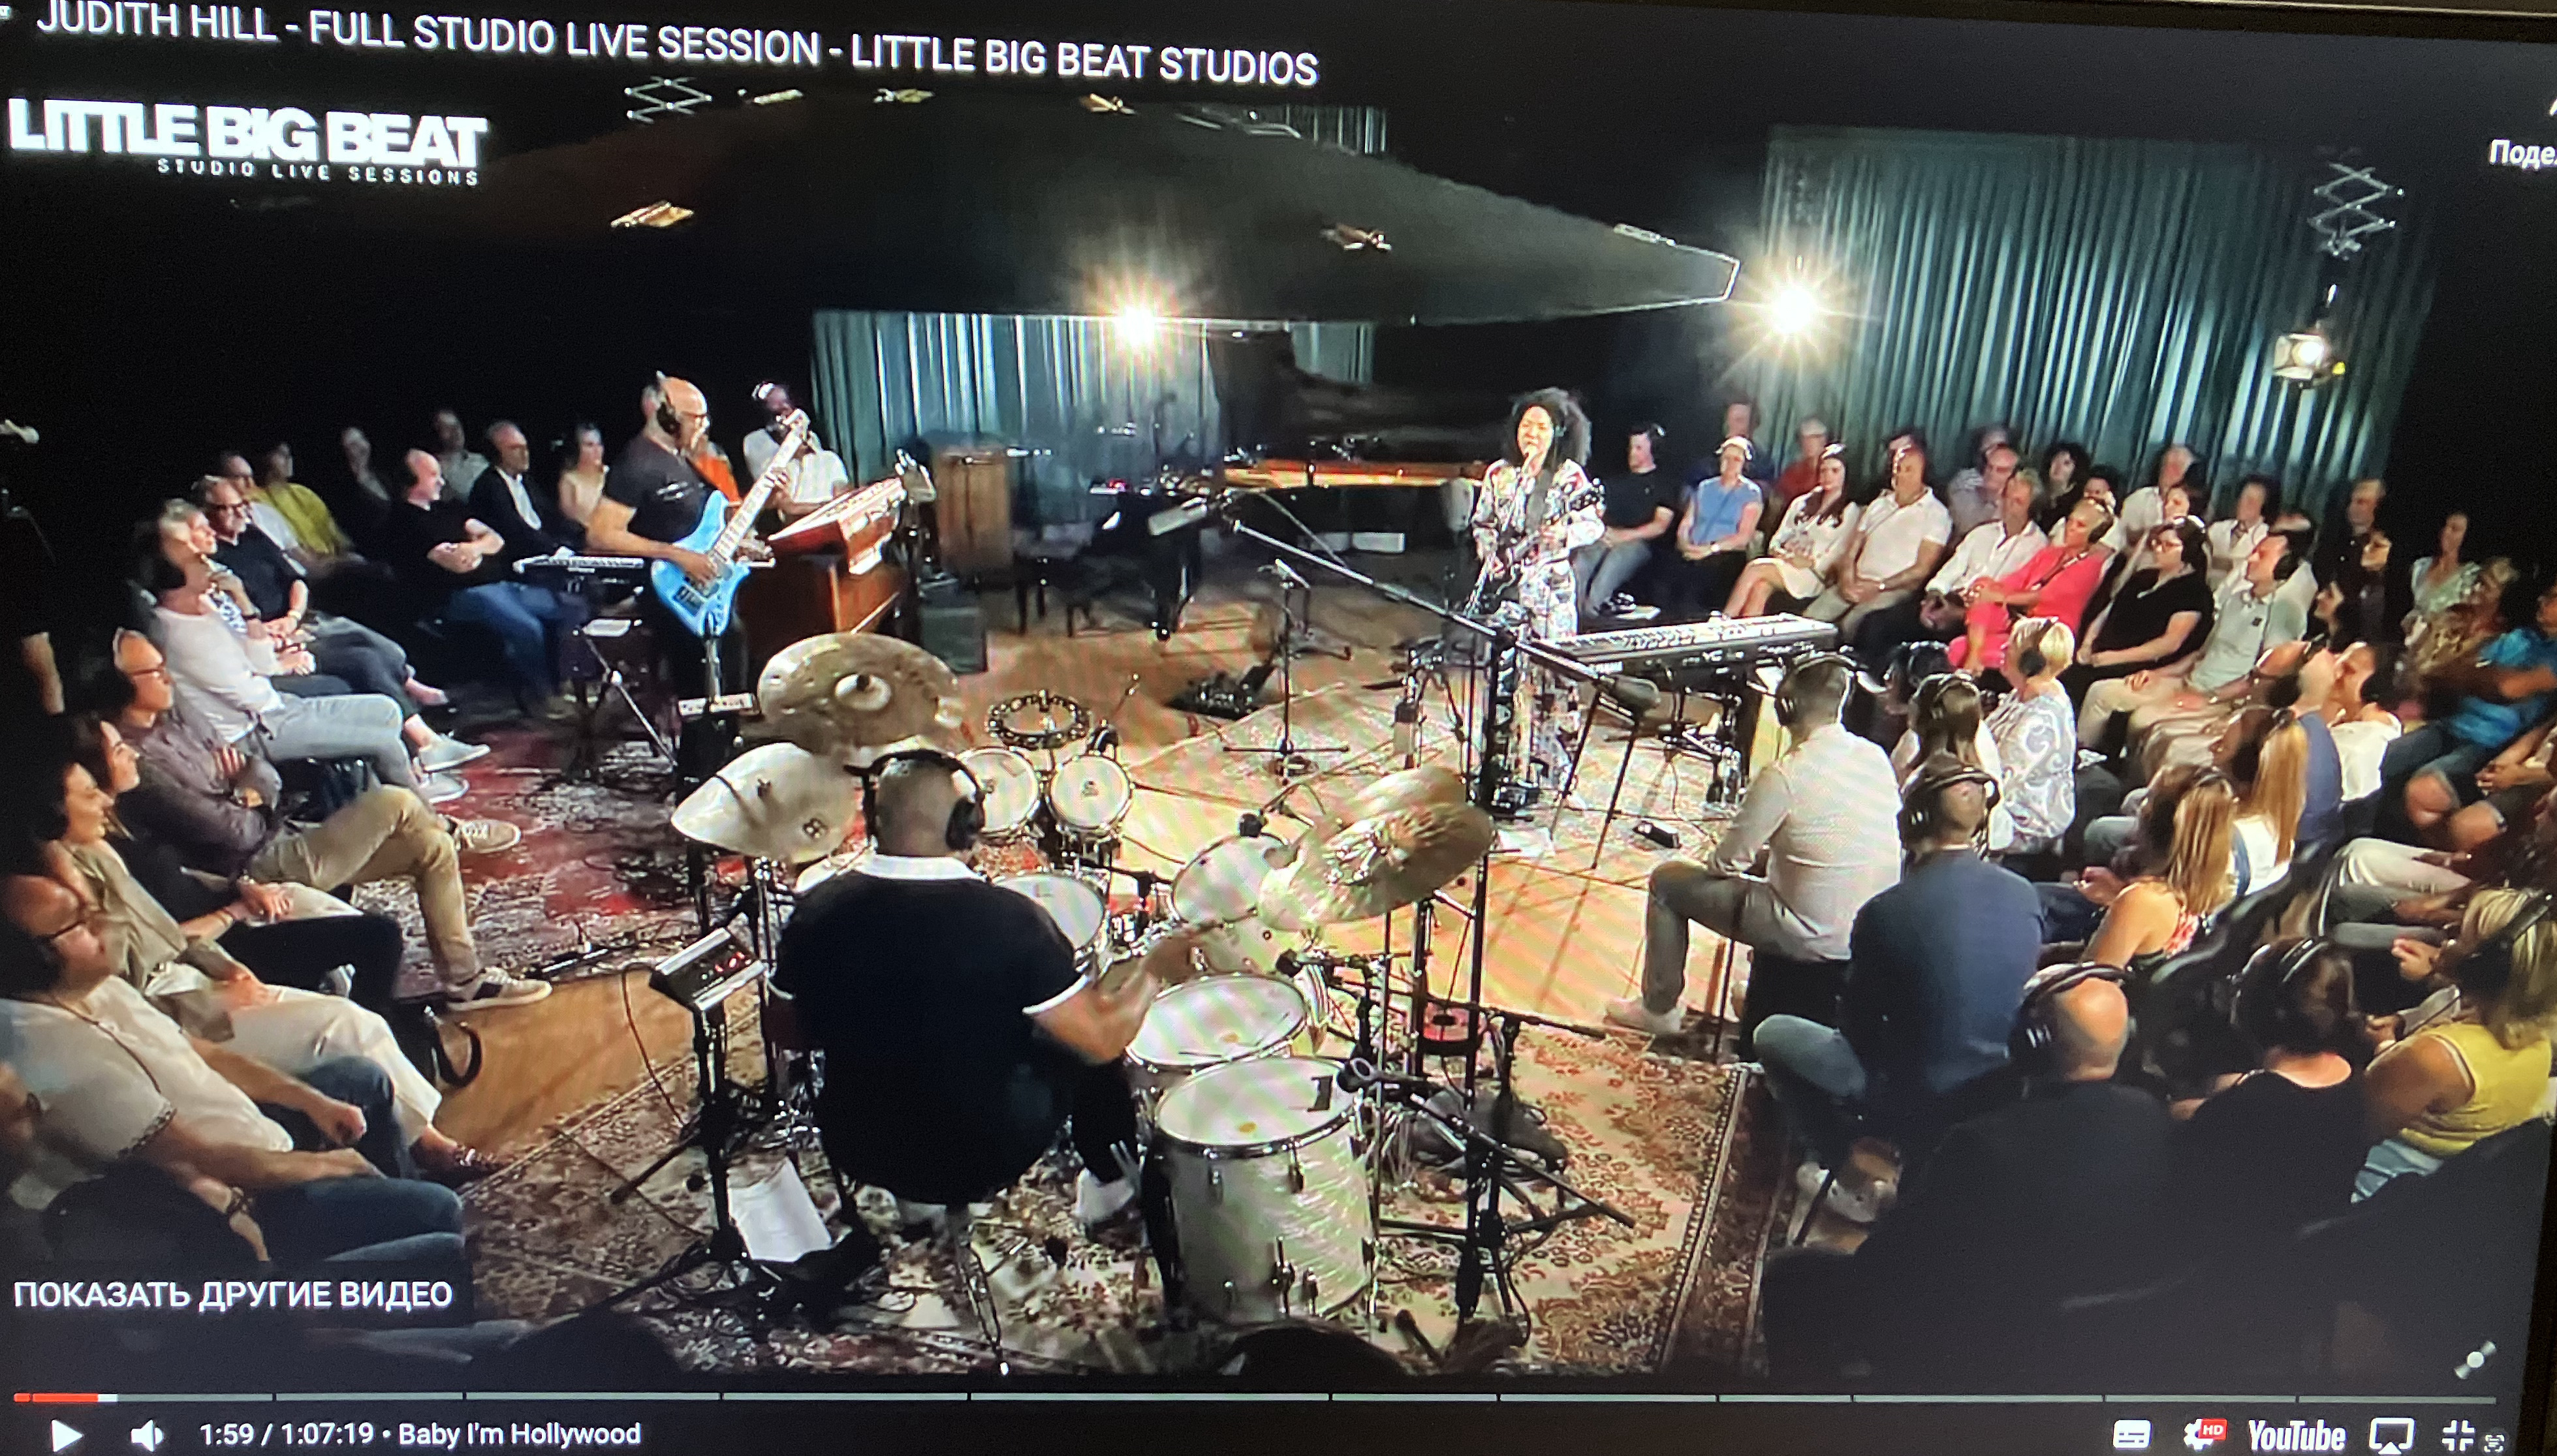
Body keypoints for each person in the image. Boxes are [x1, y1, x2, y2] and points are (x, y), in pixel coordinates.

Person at [27, 726, 497, 1184]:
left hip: (203, 958)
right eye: (89, 793)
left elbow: (171, 930)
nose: (104, 799)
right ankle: (424, 1145)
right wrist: (214, 978)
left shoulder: (105, 846)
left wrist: (227, 964)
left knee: (370, 917)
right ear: (52, 811)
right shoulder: (62, 893)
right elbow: (131, 986)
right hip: (182, 997)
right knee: (351, 1022)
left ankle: (409, 1116)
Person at [0, 875, 467, 1263]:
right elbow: (199, 1159)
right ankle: (390, 1245)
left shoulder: (97, 988)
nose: (102, 923)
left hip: (255, 1137)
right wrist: (328, 1165)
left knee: (362, 1079)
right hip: (244, 1196)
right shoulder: (54, 1054)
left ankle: (393, 1202)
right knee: (440, 1210)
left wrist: (310, 1101)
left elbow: (203, 1052)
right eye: (79, 923)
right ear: (35, 959)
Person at [774, 752, 1151, 1228]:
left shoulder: (816, 910)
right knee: (1082, 1041)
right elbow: (1102, 1041)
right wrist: (1154, 970)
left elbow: (787, 1033)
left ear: (873, 820)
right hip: (987, 1152)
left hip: (860, 1144)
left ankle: (916, 1201)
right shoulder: (1012, 921)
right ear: (965, 826)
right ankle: (1109, 1187)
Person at [1759, 965, 2169, 1384]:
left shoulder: (1984, 1146)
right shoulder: (2150, 1115)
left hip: (1967, 1339)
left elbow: (1885, 1265)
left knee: (1790, 1274)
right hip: (2074, 1339)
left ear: (2033, 1044)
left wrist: (1894, 1205)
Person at [104, 630, 544, 1010]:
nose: (168, 677)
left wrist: (247, 788)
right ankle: (450, 827)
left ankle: (466, 983)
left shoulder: (178, 714)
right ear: (121, 685)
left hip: (282, 833)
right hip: (250, 869)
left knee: (431, 849)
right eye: (154, 672)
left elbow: (262, 770)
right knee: (394, 800)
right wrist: (244, 792)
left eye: (164, 665)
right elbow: (230, 833)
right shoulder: (139, 763)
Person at [1751, 757, 2043, 1179]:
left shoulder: (1885, 911)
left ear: (1912, 821)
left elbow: (1857, 1032)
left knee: (1773, 1033)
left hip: (1912, 1093)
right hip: (1998, 1089)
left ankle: (1843, 1169)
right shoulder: (2024, 894)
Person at [1605, 655, 1900, 1036]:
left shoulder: (1784, 775)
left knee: (1667, 882)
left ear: (1786, 705)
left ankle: (1657, 1009)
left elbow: (1726, 864)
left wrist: (1727, 856)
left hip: (1808, 933)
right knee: (1772, 873)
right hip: (1865, 930)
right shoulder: (1874, 756)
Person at [143, 550, 440, 798]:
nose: (207, 563)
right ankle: (430, 819)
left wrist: (245, 604)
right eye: (195, 561)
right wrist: (273, 683)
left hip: (275, 707)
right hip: (254, 731)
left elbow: (262, 664)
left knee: (386, 710)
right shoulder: (178, 634)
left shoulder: (206, 610)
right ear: (175, 578)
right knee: (383, 742)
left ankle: (397, 790)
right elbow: (248, 695)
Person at [196, 474, 466, 736]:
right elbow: (233, 621)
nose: (240, 513)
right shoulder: (213, 563)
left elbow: (296, 580)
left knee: (385, 648)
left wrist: (293, 614)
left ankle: (415, 693)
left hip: (301, 617)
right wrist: (278, 630)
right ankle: (420, 732)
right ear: (207, 513)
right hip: (276, 637)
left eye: (242, 505)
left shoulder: (253, 536)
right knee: (366, 659)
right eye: (228, 508)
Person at [584, 377, 751, 781]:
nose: (702, 427)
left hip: (704, 588)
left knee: (731, 668)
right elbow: (601, 534)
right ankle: (696, 781)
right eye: (695, 418)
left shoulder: (681, 460)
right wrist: (677, 555)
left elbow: (699, 523)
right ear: (666, 416)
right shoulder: (636, 464)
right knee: (701, 690)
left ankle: (725, 766)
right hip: (668, 591)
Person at [2359, 889, 2557, 1197]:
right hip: (2441, 1181)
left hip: (2374, 1183)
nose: (2449, 933)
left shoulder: (2434, 1057)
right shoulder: (2541, 1042)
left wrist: (2385, 1047)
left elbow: (2357, 1127)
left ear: (2482, 967)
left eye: (2462, 934)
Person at [2171, 938, 2368, 1249]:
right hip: (2305, 1243)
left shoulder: (2246, 1107)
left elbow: (2187, 1185)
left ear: (2259, 1011)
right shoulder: (2350, 1076)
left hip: (2236, 1255)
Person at [1466, 389, 1603, 788]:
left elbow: (1593, 524)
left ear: (1558, 432)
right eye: (1527, 425)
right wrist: (1490, 555)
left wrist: (1564, 535)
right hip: (1507, 596)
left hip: (1550, 594)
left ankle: (1555, 771)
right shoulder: (1499, 474)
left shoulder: (1569, 477)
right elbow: (1483, 523)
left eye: (1541, 427)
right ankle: (1504, 764)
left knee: (1554, 680)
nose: (1532, 433)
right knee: (1504, 677)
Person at [2079, 527, 2306, 756]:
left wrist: (2209, 698)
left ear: (2284, 566)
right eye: (2254, 551)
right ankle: (2081, 757)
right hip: (2188, 681)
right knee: (2101, 692)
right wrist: (2158, 674)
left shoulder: (2285, 610)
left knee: (2143, 721)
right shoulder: (2236, 600)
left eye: (2262, 555)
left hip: (2223, 700)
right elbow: (2201, 653)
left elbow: (2264, 680)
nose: (2251, 558)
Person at [385, 450, 577, 711]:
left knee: (570, 607)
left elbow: (496, 539)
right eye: (432, 476)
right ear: (410, 481)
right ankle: (543, 697)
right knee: (527, 628)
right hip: (458, 596)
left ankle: (570, 683)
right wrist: (477, 546)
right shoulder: (404, 521)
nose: (441, 481)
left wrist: (472, 548)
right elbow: (457, 564)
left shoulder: (449, 508)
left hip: (501, 585)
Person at [2385, 575, 2557, 843]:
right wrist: (2487, 678)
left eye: (2553, 598)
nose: (2542, 601)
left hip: (2489, 743)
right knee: (2387, 758)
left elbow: (2509, 688)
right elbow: (2452, 671)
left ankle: (2432, 853)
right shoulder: (2520, 638)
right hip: (2453, 723)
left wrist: (2484, 676)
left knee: (2423, 790)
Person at [2082, 770, 2238, 968]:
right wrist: (2118, 896)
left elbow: (2093, 979)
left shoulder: (2141, 900)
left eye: (2148, 799)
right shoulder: (2216, 883)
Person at [1803, 437, 1951, 642]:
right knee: (1809, 621)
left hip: (1893, 589)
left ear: (1923, 474)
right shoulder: (1879, 505)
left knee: (1851, 625)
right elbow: (1851, 552)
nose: (1900, 475)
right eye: (1898, 468)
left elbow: (1921, 570)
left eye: (1909, 470)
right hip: (1856, 581)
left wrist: (1880, 586)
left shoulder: (1936, 514)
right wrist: (1847, 579)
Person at [1949, 496, 2113, 678]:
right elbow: (2016, 580)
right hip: (2018, 622)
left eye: (2080, 525)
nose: (2071, 528)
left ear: (2094, 534)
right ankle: (1973, 660)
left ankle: (1972, 661)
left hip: (2043, 635)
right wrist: (1987, 591)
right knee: (1985, 584)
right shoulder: (2051, 553)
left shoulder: (2090, 567)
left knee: (1958, 648)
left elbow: (2042, 597)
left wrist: (1999, 597)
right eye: (2070, 521)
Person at [2063, 518, 2213, 698]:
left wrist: (2113, 658)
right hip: (2099, 654)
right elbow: (2107, 613)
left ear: (2188, 551)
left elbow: (2170, 644)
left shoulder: (2195, 592)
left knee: (2078, 686)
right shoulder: (2143, 577)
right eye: (2156, 543)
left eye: (2168, 545)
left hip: (2138, 665)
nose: (2158, 549)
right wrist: (2087, 644)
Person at [1912, 464, 2045, 645]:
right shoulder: (1982, 532)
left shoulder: (2037, 546)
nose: (2008, 506)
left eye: (2018, 502)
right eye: (2007, 497)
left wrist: (1960, 613)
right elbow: (1950, 571)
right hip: (1949, 599)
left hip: (1982, 619)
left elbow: (2015, 602)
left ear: (2032, 509)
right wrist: (1934, 597)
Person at [1726, 442, 1855, 619]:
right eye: (1824, 470)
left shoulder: (1850, 511)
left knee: (1756, 568)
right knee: (1761, 586)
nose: (1828, 476)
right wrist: (1780, 553)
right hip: (1784, 562)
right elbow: (1778, 538)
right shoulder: (1802, 502)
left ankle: (1725, 618)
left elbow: (1839, 552)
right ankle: (1747, 630)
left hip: (1811, 574)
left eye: (1835, 471)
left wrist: (1810, 562)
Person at [1986, 619, 2080, 857]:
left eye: (2012, 646)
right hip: (2003, 795)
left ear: (2030, 663)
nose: (2004, 648)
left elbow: (2000, 783)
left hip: (2026, 822)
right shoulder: (2025, 692)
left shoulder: (2040, 720)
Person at [1576, 424, 1678, 618]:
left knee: (1613, 565)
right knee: (1582, 560)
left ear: (1653, 451)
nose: (1632, 453)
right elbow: (1596, 513)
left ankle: (1594, 610)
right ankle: (1576, 614)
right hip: (1606, 536)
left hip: (1639, 543)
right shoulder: (1614, 483)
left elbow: (1660, 526)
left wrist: (1623, 536)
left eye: (1639, 448)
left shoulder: (1663, 485)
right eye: (1632, 447)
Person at [1656, 437, 1763, 621]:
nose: (1730, 463)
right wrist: (1684, 543)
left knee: (1694, 590)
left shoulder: (1751, 493)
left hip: (1725, 553)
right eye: (1726, 458)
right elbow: (1688, 522)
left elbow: (1743, 537)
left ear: (1744, 464)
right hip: (1694, 549)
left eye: (1736, 459)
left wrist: (1710, 549)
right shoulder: (1705, 487)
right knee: (1664, 582)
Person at [2220, 705, 2311, 891]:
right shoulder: (2283, 815)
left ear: (2243, 767)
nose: (2212, 748)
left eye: (2222, 746)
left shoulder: (2227, 839)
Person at [224, 451, 350, 573]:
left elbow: (299, 554)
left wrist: (334, 566)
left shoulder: (266, 512)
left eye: (250, 477)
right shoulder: (228, 522)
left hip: (304, 576)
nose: (250, 484)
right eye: (240, 478)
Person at [469, 422, 571, 563]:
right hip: (514, 559)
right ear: (496, 452)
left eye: (525, 448)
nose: (525, 454)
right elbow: (514, 529)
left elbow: (550, 515)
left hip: (542, 551)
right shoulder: (489, 486)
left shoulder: (527, 481)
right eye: (515, 448)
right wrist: (554, 549)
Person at [2406, 509, 2481, 640]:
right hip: (2413, 642)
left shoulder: (2471, 575)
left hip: (2445, 645)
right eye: (2445, 526)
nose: (2446, 532)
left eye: (2455, 529)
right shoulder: (2420, 567)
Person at [2203, 474, 2280, 588]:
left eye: (2251, 501)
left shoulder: (2266, 538)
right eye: (2242, 498)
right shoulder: (2217, 528)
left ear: (2264, 507)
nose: (2243, 504)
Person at [1940, 428, 2016, 543]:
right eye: (1988, 449)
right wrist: (1992, 499)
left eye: (2000, 447)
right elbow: (1967, 526)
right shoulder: (1963, 482)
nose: (1992, 473)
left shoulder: (2017, 496)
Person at [1765, 417, 1831, 525]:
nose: (1808, 443)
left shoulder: (1832, 471)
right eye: (1805, 439)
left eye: (1813, 438)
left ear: (1824, 440)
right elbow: (1779, 496)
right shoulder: (1794, 471)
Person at [554, 424, 610, 533]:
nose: (597, 450)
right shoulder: (569, 480)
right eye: (590, 445)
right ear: (577, 448)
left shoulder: (611, 475)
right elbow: (569, 521)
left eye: (599, 445)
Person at [430, 409, 486, 503]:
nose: (456, 431)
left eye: (457, 426)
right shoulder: (433, 469)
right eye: (447, 428)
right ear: (436, 433)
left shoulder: (480, 461)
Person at [1716, 398, 1772, 486]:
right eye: (1737, 420)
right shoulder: (1712, 459)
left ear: (1755, 424)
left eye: (1747, 422)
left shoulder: (1763, 463)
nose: (1743, 427)